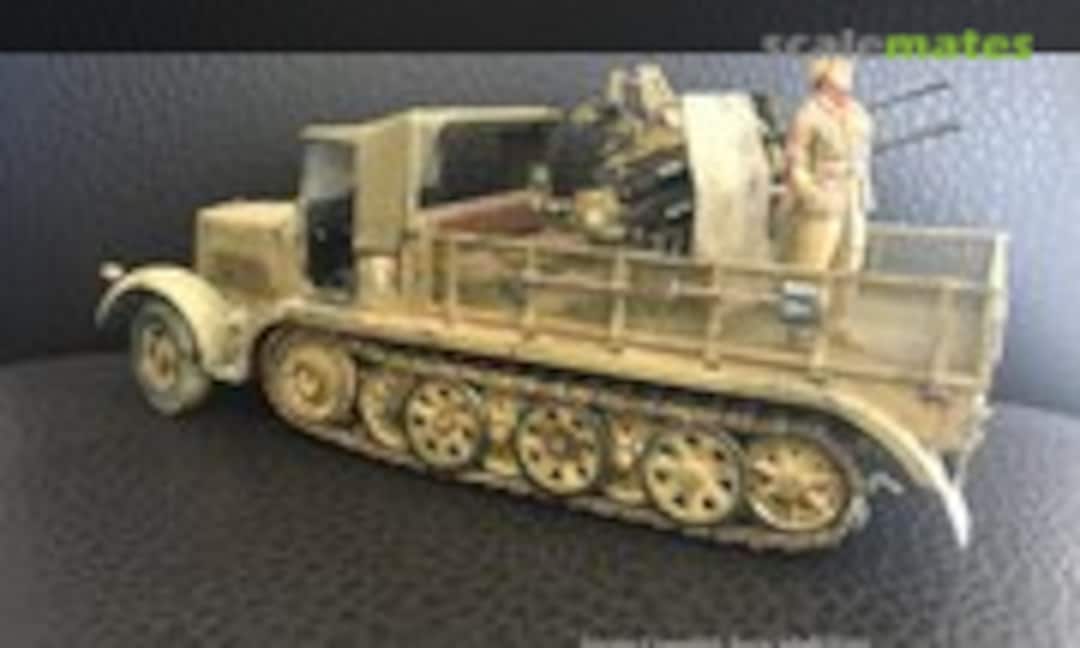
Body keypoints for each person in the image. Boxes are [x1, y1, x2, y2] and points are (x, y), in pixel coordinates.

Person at [783, 56, 874, 339]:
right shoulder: (808, 115)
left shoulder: (857, 112)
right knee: (809, 266)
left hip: (853, 197)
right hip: (822, 198)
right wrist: (811, 194)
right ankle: (798, 330)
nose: (846, 81)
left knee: (849, 263)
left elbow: (862, 150)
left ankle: (838, 323)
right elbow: (795, 164)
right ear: (823, 81)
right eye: (839, 76)